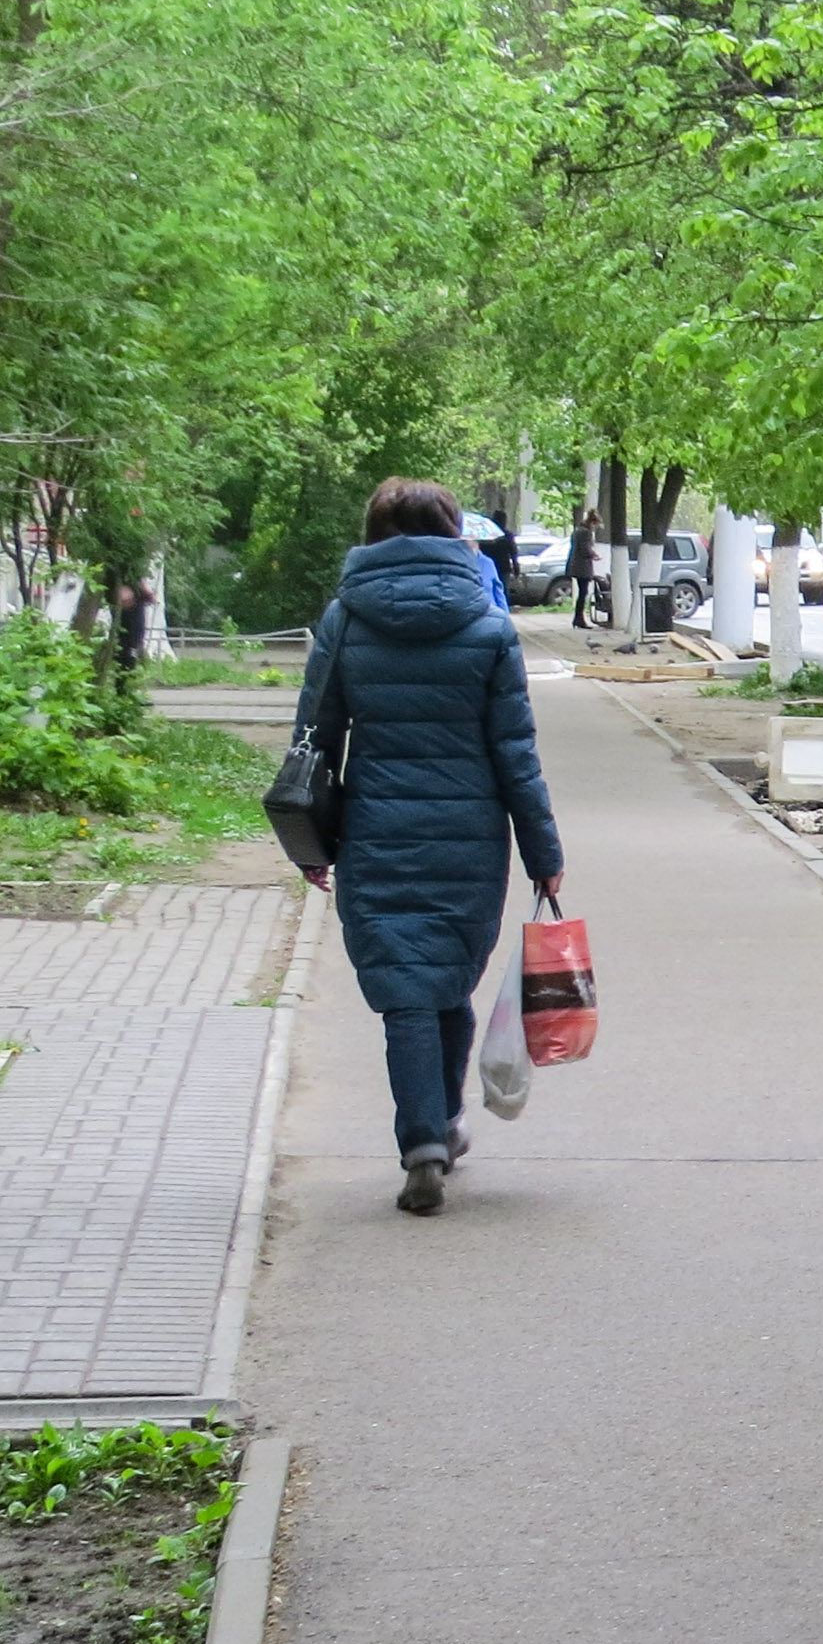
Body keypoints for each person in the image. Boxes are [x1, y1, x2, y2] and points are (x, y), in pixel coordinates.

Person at [293, 478, 564, 1215]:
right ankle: (439, 1126)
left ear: (374, 535)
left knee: (407, 990)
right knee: (445, 978)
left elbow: (314, 741)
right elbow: (516, 753)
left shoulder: (345, 619)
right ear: (453, 534)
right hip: (470, 837)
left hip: (375, 832)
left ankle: (426, 1138)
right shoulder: (488, 624)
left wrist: (308, 841)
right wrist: (543, 852)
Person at [566, 514, 598, 625]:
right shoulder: (586, 533)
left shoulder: (577, 531)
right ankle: (578, 619)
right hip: (582, 567)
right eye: (595, 525)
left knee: (582, 592)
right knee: (583, 593)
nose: (595, 527)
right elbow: (585, 549)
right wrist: (594, 555)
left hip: (575, 565)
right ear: (591, 523)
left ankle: (578, 618)